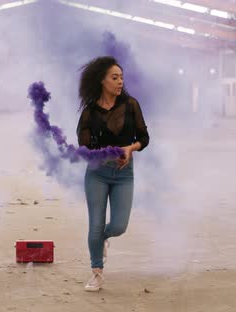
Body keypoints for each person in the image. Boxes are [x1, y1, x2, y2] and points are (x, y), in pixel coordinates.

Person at [76, 56, 149, 292]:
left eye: (121, 77)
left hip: (124, 175)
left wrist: (130, 148)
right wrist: (101, 154)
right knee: (95, 224)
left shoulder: (131, 105)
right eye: (114, 77)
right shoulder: (89, 112)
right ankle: (97, 272)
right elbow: (84, 147)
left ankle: (102, 238)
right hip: (97, 174)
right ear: (102, 80)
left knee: (119, 225)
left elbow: (144, 138)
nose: (120, 82)